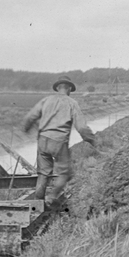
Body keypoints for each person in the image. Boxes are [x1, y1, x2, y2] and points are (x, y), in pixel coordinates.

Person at [22, 76, 97, 205]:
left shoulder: (46, 100)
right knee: (65, 173)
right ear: (69, 89)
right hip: (58, 141)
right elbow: (82, 127)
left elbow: (30, 117)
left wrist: (26, 128)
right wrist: (92, 140)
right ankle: (51, 198)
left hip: (43, 140)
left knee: (43, 173)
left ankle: (38, 203)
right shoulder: (72, 103)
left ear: (57, 88)